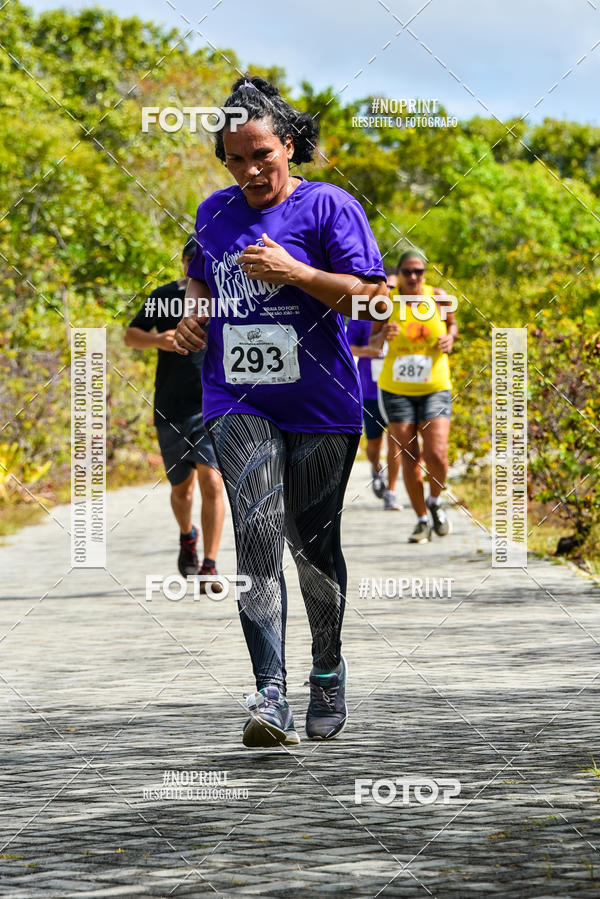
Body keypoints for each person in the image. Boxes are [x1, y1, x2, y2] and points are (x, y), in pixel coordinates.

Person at [173, 75, 386, 747]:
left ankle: (327, 668)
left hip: (322, 405)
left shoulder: (329, 208)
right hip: (236, 398)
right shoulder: (215, 212)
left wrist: (298, 274)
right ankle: (271, 692)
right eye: (236, 158)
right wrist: (192, 312)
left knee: (312, 544)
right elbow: (198, 270)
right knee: (257, 536)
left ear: (287, 145)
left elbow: (374, 304)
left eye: (261, 153)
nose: (250, 169)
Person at [125, 236, 225, 581]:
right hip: (170, 406)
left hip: (214, 405)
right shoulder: (164, 296)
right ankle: (188, 536)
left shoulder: (225, 297)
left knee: (212, 480)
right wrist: (158, 340)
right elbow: (131, 335)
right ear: (183, 262)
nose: (196, 266)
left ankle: (210, 564)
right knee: (182, 489)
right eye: (191, 260)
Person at [370, 250, 458, 541]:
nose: (412, 277)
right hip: (397, 390)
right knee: (410, 456)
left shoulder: (440, 297)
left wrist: (450, 338)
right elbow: (372, 341)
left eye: (418, 271)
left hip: (435, 386)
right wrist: (384, 336)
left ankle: (435, 501)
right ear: (401, 273)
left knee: (437, 454)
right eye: (407, 271)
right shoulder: (386, 301)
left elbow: (453, 325)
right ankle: (421, 519)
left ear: (425, 272)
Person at [346, 317, 388, 500]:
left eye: (394, 286)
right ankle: (376, 468)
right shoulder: (361, 313)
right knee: (374, 441)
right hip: (371, 388)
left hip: (401, 387)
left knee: (397, 437)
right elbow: (348, 346)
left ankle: (391, 492)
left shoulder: (407, 310)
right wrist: (368, 351)